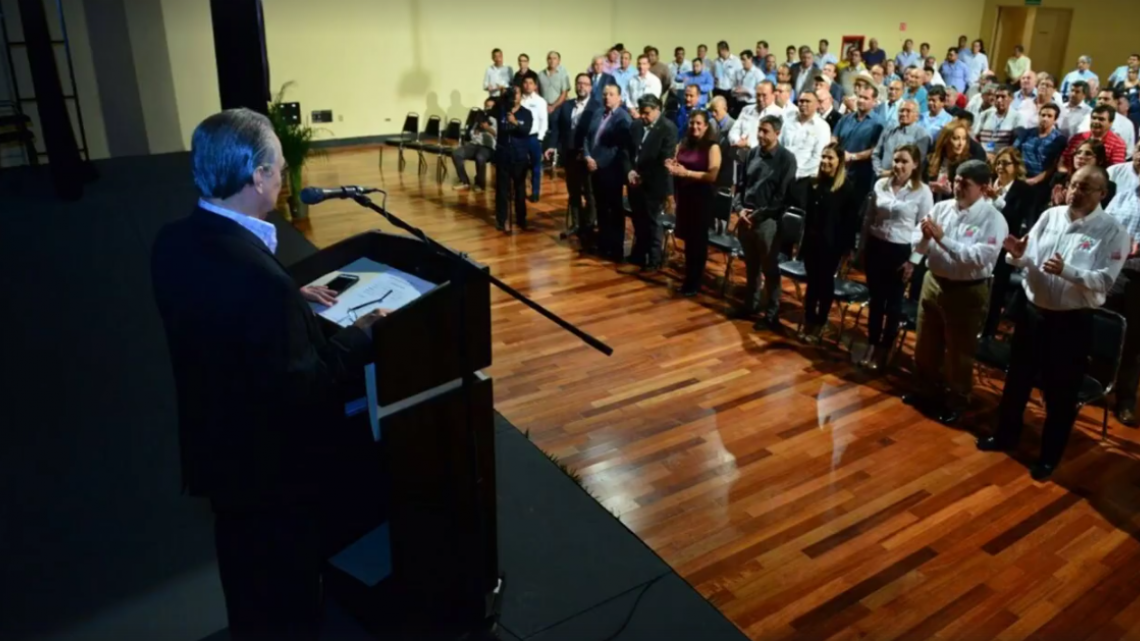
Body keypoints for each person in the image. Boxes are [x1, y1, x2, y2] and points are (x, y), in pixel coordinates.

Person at [152, 108, 389, 641]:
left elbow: (214, 316)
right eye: (279, 169)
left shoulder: (172, 242)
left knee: (244, 583)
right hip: (272, 474)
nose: (285, 179)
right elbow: (307, 386)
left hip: (216, 452)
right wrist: (364, 332)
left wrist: (290, 305)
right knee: (287, 599)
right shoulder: (260, 282)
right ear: (257, 177)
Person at [979, 165, 1130, 481]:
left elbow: (1104, 282)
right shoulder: (1051, 216)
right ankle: (1005, 436)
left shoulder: (1112, 231)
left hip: (1071, 322)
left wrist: (1068, 272)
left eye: (1085, 187)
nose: (1076, 191)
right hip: (1033, 312)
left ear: (1102, 193)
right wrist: (1018, 256)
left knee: (1061, 394)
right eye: (1074, 184)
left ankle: (1048, 457)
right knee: (1017, 380)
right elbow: (1027, 257)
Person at [905, 160, 1007, 422]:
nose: (958, 187)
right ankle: (925, 389)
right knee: (926, 341)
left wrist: (942, 239)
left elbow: (979, 258)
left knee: (959, 351)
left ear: (984, 188)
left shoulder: (993, 219)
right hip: (934, 280)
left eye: (965, 183)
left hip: (967, 290)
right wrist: (925, 240)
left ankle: (956, 400)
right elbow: (918, 241)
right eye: (957, 180)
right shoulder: (941, 208)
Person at [860, 144, 933, 370]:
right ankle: (871, 344)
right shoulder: (881, 184)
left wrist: (913, 260)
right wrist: (862, 248)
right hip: (876, 246)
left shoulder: (922, 192)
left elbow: (924, 230)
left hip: (900, 251)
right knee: (876, 301)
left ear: (915, 165)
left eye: (904, 161)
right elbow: (869, 217)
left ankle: (884, 349)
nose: (898, 165)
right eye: (896, 160)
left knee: (892, 304)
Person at [733, 115, 797, 328]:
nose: (760, 135)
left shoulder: (786, 159)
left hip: (767, 222)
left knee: (770, 269)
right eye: (759, 130)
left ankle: (772, 313)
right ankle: (750, 305)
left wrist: (757, 215)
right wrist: (740, 210)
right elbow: (741, 187)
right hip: (746, 219)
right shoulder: (752, 153)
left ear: (777, 133)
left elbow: (782, 198)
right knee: (751, 266)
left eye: (765, 131)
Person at [799, 142, 860, 343]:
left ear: (839, 162)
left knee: (824, 285)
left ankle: (820, 322)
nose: (825, 161)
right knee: (812, 283)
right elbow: (809, 217)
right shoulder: (814, 183)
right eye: (824, 157)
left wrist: (847, 249)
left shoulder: (847, 189)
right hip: (812, 242)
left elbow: (850, 223)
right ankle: (809, 319)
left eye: (830, 158)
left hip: (831, 246)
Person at [667, 109, 722, 296]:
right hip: (685, 196)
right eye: (692, 123)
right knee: (689, 244)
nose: (695, 127)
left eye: (699, 123)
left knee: (697, 243)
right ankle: (688, 280)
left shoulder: (712, 147)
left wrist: (687, 173)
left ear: (706, 126)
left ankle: (694, 283)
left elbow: (712, 175)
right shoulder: (684, 142)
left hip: (702, 199)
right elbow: (677, 161)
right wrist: (671, 165)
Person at [1104, 143, 1140, 425]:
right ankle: (1098, 380)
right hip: (1112, 269)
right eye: (1139, 149)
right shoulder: (1126, 194)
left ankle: (1126, 399)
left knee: (1133, 341)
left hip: (1137, 275)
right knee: (1100, 324)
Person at [622, 95, 679, 274]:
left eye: (647, 113)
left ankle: (654, 259)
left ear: (657, 110)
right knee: (638, 220)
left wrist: (642, 177)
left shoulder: (668, 129)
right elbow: (628, 151)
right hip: (634, 181)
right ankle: (639, 253)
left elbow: (663, 160)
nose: (643, 116)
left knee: (653, 223)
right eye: (641, 112)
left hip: (654, 183)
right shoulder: (637, 125)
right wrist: (630, 171)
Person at [982, 147, 1035, 338]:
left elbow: (1014, 220)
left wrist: (996, 199)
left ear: (1016, 166)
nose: (1000, 166)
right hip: (982, 243)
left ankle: (988, 332)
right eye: (998, 162)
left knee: (996, 293)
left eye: (1005, 163)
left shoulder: (1023, 190)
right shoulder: (989, 183)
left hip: (1005, 247)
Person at [546, 73, 599, 243]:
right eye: (579, 83)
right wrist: (552, 145)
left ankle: (590, 226)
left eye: (585, 84)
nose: (582, 86)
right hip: (570, 154)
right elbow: (558, 129)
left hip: (587, 155)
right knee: (573, 191)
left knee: (590, 193)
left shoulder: (596, 107)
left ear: (591, 87)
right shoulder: (567, 106)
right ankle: (576, 224)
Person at [583, 84, 633, 260]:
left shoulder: (623, 118)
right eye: (605, 94)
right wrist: (588, 156)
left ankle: (616, 247)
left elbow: (620, 148)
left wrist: (599, 162)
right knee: (601, 208)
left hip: (611, 170)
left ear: (619, 97)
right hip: (594, 166)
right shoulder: (598, 113)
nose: (607, 98)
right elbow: (588, 137)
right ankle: (604, 243)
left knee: (614, 210)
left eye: (611, 94)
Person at [780, 90, 831, 211]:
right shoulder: (789, 121)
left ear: (817, 104)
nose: (803, 104)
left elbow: (818, 156)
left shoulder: (822, 127)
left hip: (804, 179)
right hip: (782, 174)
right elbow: (780, 145)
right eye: (801, 101)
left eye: (807, 101)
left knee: (795, 216)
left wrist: (796, 174)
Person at [833, 86, 885, 200]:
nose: (861, 100)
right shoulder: (845, 118)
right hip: (839, 172)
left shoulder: (879, 123)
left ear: (874, 102)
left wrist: (853, 157)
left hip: (861, 175)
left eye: (866, 98)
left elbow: (876, 149)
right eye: (860, 97)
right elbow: (834, 138)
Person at [1013, 103, 1067, 215]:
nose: (1045, 118)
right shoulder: (1027, 133)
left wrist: (1036, 180)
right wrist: (1019, 175)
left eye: (1049, 116)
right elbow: (1014, 153)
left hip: (1041, 182)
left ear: (1055, 120)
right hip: (1020, 177)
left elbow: (1054, 165)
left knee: (1031, 214)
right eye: (1042, 115)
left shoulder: (1059, 139)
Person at [494, 87, 533, 231]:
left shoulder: (526, 113)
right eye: (512, 93)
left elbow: (526, 130)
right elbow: (492, 109)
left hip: (519, 156)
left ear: (521, 96)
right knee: (502, 190)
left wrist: (515, 122)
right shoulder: (501, 110)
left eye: (516, 93)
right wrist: (502, 96)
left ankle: (521, 218)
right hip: (503, 155)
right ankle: (501, 219)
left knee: (520, 190)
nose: (513, 96)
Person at [927, 120, 987, 202]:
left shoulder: (967, 166)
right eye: (955, 138)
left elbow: (968, 195)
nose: (961, 143)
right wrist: (929, 186)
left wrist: (950, 193)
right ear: (945, 140)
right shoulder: (931, 159)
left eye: (964, 139)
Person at [1050, 139, 1118, 209]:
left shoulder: (1108, 186)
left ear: (1099, 160)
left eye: (1088, 154)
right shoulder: (1060, 178)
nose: (1080, 157)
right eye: (1078, 152)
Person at [872, 100, 931, 178]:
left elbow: (918, 163)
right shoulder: (888, 129)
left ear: (917, 116)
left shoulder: (922, 135)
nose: (903, 114)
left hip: (905, 182)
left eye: (908, 111)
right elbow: (876, 154)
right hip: (881, 178)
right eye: (901, 110)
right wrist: (879, 171)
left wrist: (893, 174)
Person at [1060, 105, 1129, 171]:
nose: (1096, 121)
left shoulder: (1118, 144)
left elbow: (1115, 170)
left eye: (1101, 119)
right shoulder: (1077, 138)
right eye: (1094, 118)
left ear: (1111, 122)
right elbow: (1063, 160)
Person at [452, 97, 497, 192]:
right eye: (486, 106)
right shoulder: (480, 117)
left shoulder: (497, 119)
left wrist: (488, 128)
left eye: (490, 107)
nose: (488, 109)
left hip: (488, 146)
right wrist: (475, 132)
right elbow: (471, 132)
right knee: (456, 153)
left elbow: (499, 135)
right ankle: (464, 182)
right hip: (474, 143)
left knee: (480, 157)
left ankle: (480, 184)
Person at [1078, 88, 1137, 152]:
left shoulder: (1126, 123)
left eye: (1106, 99)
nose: (1101, 101)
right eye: (1099, 98)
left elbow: (1129, 150)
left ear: (1116, 101)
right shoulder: (1086, 118)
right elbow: (1080, 139)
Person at [520, 77, 549, 202]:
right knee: (520, 166)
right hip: (519, 137)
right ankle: (520, 191)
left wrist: (540, 138)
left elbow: (543, 120)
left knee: (536, 167)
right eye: (525, 83)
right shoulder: (518, 100)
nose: (527, 85)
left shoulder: (540, 101)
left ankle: (535, 192)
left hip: (534, 137)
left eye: (530, 83)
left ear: (535, 86)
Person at [973, 85, 1023, 154]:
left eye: (1003, 97)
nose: (999, 100)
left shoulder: (1017, 118)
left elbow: (1016, 143)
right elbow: (975, 137)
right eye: (997, 97)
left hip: (1003, 157)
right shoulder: (985, 114)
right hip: (983, 155)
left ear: (1011, 99)